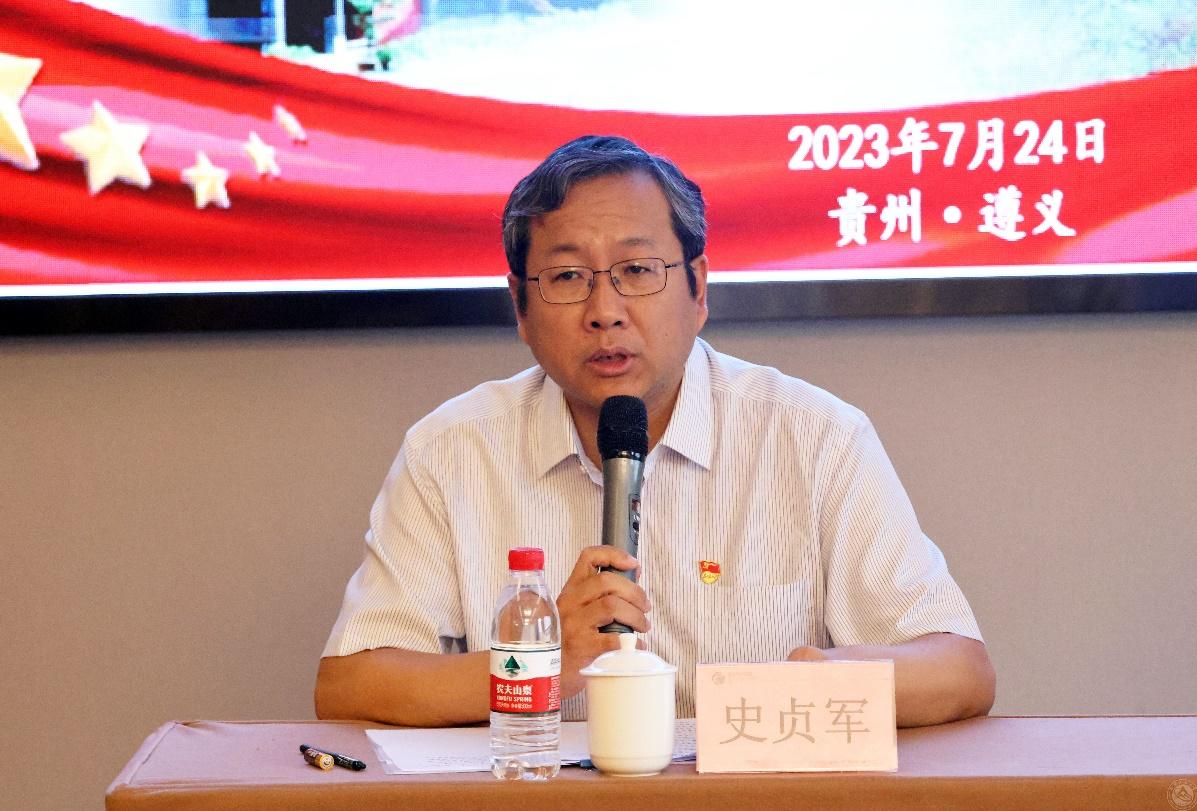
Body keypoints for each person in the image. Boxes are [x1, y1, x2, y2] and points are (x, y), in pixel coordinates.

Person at [315, 135, 995, 728]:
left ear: (698, 288)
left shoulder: (813, 437)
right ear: (519, 307)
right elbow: (350, 684)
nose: (605, 310)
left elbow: (960, 669)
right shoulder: (451, 451)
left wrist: (822, 680)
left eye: (637, 271)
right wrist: (539, 663)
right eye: (567, 276)